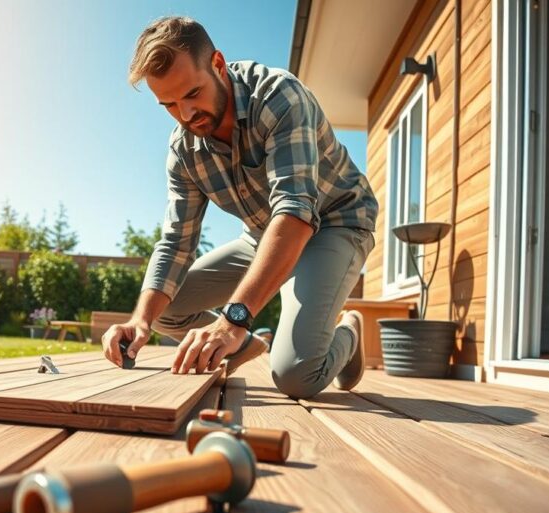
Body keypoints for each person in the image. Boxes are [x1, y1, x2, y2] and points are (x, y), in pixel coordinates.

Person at [101, 16, 378, 399]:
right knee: (166, 307)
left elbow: (295, 212)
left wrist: (234, 319)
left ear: (218, 64)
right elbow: (175, 242)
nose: (185, 114)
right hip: (263, 235)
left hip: (336, 224)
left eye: (193, 93)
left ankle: (347, 331)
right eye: (168, 104)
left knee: (296, 376)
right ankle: (245, 346)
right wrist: (140, 320)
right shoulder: (184, 150)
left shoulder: (279, 97)